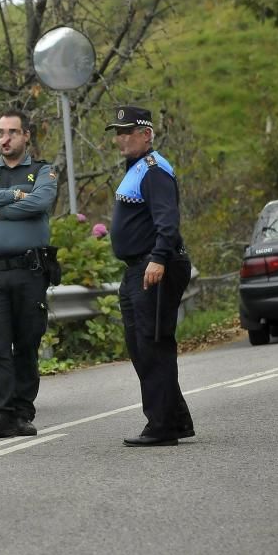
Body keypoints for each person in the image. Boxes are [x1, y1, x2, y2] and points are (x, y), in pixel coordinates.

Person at [0, 109, 57, 439]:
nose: (4, 139)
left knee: (27, 342)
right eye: (0, 133)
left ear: (26, 135)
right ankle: (1, 413)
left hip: (30, 270)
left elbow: (41, 202)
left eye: (12, 133)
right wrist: (15, 195)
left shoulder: (41, 170)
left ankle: (22, 411)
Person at [106, 106, 194, 447]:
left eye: (127, 131)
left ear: (147, 134)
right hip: (138, 268)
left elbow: (167, 221)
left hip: (155, 266)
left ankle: (162, 426)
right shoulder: (137, 169)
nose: (121, 138)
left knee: (154, 345)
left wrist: (157, 258)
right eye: (117, 132)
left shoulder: (155, 170)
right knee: (141, 347)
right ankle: (176, 418)